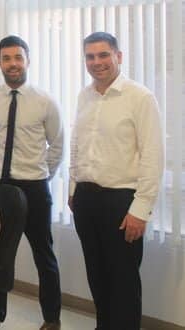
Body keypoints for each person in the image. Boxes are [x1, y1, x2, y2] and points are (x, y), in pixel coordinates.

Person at [69, 32, 164, 330]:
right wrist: (73, 189)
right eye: (90, 56)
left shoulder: (140, 97)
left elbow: (152, 155)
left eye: (103, 55)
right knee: (97, 277)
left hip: (122, 203)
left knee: (123, 282)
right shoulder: (84, 96)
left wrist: (141, 208)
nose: (97, 62)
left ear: (118, 56)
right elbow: (77, 144)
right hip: (85, 199)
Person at [0, 35, 64, 330]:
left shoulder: (45, 102)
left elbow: (56, 147)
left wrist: (40, 175)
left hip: (34, 186)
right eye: (6, 58)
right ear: (0, 62)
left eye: (18, 57)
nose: (12, 63)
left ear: (28, 60)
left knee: (44, 254)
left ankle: (51, 319)